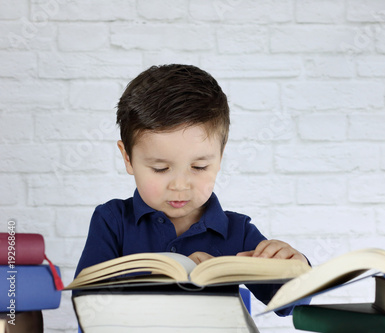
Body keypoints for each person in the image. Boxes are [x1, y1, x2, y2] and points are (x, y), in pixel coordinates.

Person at [75, 64, 309, 316]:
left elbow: (287, 305)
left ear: (220, 158)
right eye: (160, 168)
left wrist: (295, 269)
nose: (179, 185)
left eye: (199, 167)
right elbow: (87, 303)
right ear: (128, 158)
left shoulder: (238, 232)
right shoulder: (113, 221)